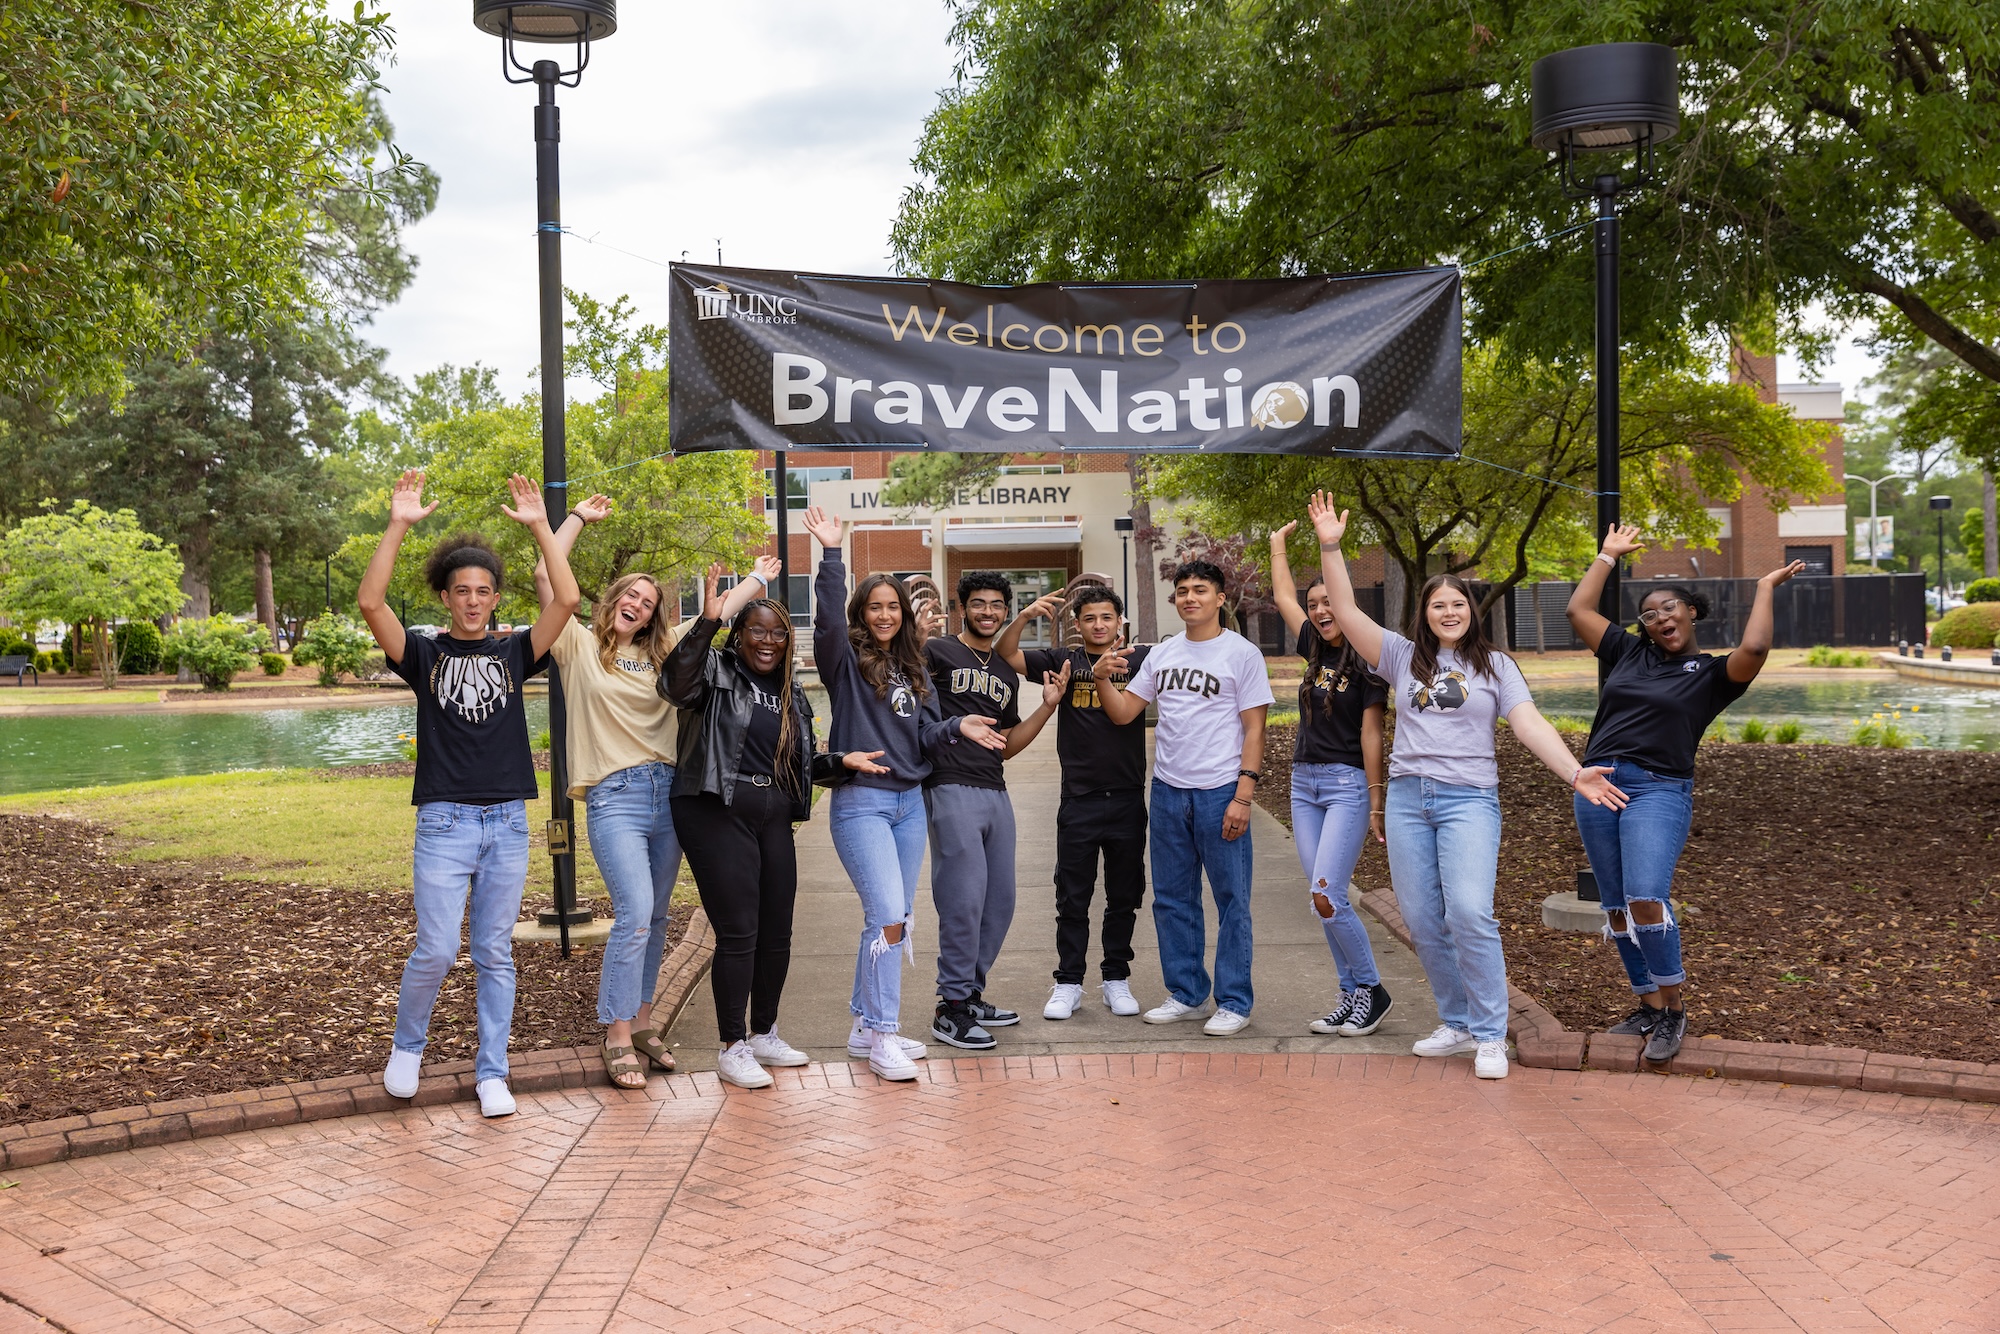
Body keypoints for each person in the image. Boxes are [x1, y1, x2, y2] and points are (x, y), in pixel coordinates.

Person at [1307, 493, 1627, 1079]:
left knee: (1472, 913)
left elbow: (1528, 722)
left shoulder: (1496, 666)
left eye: (1457, 603)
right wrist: (1331, 545)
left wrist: (1573, 770)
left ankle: (1488, 1034)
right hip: (1407, 798)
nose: (1448, 612)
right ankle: (1455, 1022)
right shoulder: (1400, 657)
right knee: (1423, 918)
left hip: (1468, 801)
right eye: (1438, 605)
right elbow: (1348, 612)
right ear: (1424, 614)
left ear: (1471, 610)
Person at [530, 495, 780, 1090]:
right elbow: (547, 574)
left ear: (651, 617)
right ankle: (615, 1036)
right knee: (635, 914)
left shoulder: (665, 654)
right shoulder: (577, 648)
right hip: (615, 795)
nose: (636, 606)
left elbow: (712, 617)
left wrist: (755, 580)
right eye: (628, 597)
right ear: (611, 603)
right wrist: (576, 521)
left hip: (668, 795)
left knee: (660, 916)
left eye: (646, 603)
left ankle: (643, 1024)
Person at [358, 470, 580, 1119]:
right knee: (434, 947)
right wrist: (398, 524)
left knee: (493, 952)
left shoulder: (516, 652)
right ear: (446, 597)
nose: (474, 601)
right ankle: (407, 1048)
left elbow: (564, 601)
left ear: (494, 597)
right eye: (463, 592)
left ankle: (492, 1073)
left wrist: (541, 524)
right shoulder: (423, 656)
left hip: (508, 821)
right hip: (446, 824)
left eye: (484, 591)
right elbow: (372, 603)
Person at [1567, 526, 1802, 1062]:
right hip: (1598, 785)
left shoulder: (1714, 673)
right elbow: (1579, 611)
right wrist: (1607, 556)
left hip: (1658, 790)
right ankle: (1647, 1003)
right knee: (1616, 907)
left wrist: (1765, 586)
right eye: (1649, 615)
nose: (1660, 619)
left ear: (1691, 611)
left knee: (1646, 896)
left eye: (1669, 608)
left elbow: (1758, 646)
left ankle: (1673, 1009)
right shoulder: (1627, 653)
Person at [802, 506, 1006, 1079]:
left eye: (894, 606)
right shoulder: (843, 661)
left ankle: (865, 1027)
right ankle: (885, 1032)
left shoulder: (914, 667)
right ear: (861, 614)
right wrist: (832, 555)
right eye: (876, 606)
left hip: (908, 805)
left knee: (891, 921)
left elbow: (925, 732)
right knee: (888, 915)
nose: (886, 614)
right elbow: (824, 623)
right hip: (862, 802)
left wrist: (958, 726)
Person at [663, 567, 879, 1087]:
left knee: (777, 932)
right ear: (740, 635)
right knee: (739, 931)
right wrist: (707, 622)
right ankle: (731, 1044)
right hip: (719, 806)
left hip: (773, 812)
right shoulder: (715, 670)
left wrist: (840, 762)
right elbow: (673, 683)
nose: (767, 640)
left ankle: (763, 1032)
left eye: (778, 633)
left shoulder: (791, 695)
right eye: (756, 630)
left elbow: (796, 762)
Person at [1090, 561, 1275, 1036]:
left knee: (1231, 899)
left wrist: (1244, 794)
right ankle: (1188, 993)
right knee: (1172, 899)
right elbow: (1124, 713)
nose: (1190, 597)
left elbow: (1255, 728)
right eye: (1183, 591)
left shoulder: (1242, 654)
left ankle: (1233, 1000)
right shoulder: (1163, 654)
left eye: (1200, 590)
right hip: (1169, 790)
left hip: (1220, 792)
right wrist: (1103, 678)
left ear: (1219, 598)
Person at [922, 572, 1066, 1049]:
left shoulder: (1005, 671)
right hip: (951, 785)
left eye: (998, 605)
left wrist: (1047, 707)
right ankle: (951, 1008)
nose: (988, 611)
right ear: (961, 607)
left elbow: (1005, 746)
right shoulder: (937, 653)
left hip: (994, 789)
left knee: (998, 902)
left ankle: (971, 991)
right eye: (978, 603)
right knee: (962, 900)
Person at [995, 583, 1152, 1021]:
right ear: (1076, 625)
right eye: (1089, 618)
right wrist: (1024, 617)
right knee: (1073, 896)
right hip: (1079, 798)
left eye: (1106, 617)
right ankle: (1068, 982)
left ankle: (1116, 977)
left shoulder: (1140, 660)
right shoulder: (1064, 659)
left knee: (1124, 894)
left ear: (1119, 621)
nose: (1098, 625)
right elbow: (1008, 654)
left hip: (1126, 797)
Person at [1268, 521, 1394, 1037]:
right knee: (1320, 900)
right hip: (1304, 785)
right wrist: (1277, 545)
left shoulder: (1369, 661)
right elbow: (1281, 596)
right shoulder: (1314, 650)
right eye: (1314, 603)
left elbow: (1371, 735)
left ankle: (1371, 990)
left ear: (1345, 604)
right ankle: (1350, 995)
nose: (1320, 610)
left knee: (1328, 895)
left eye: (1328, 601)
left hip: (1344, 786)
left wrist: (1374, 799)